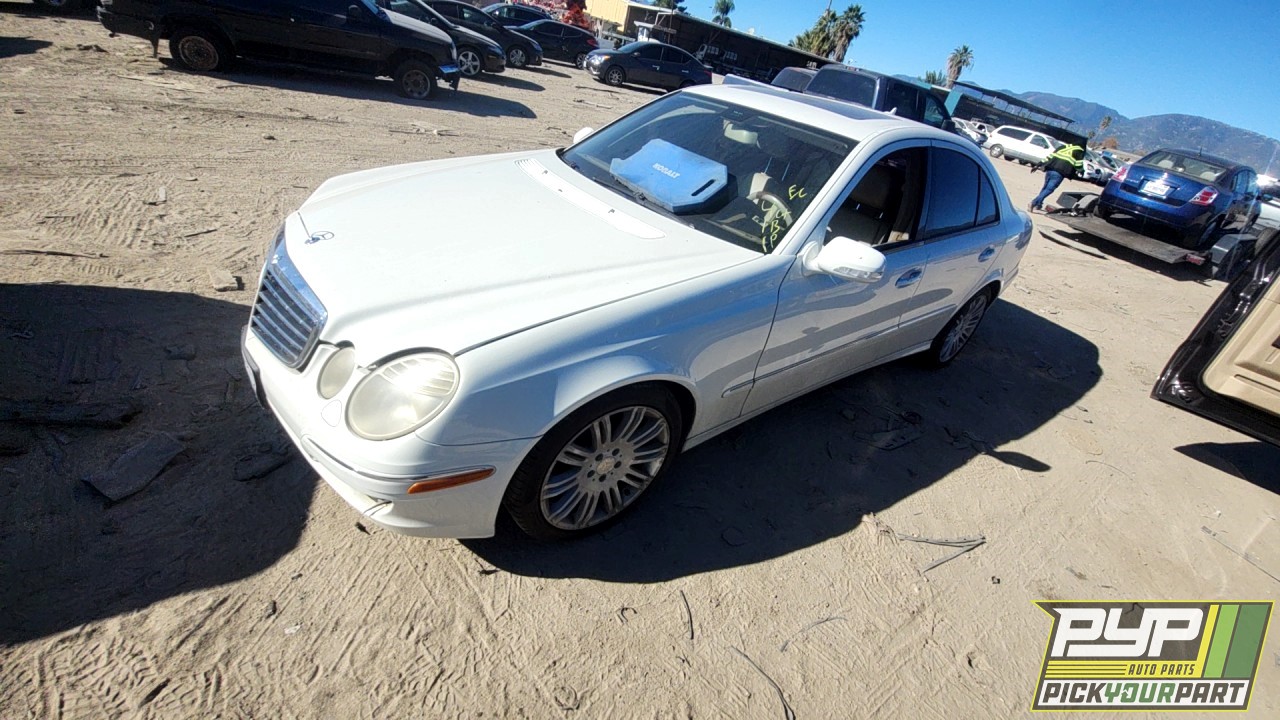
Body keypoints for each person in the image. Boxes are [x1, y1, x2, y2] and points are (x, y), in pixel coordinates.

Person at [1029, 141, 1085, 212]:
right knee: (1049, 189)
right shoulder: (1079, 151)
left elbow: (1049, 157)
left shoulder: (1063, 147)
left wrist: (1038, 164)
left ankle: (1038, 204)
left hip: (1050, 170)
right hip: (1059, 172)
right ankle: (1033, 203)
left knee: (1045, 188)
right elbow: (1078, 164)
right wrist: (1081, 171)